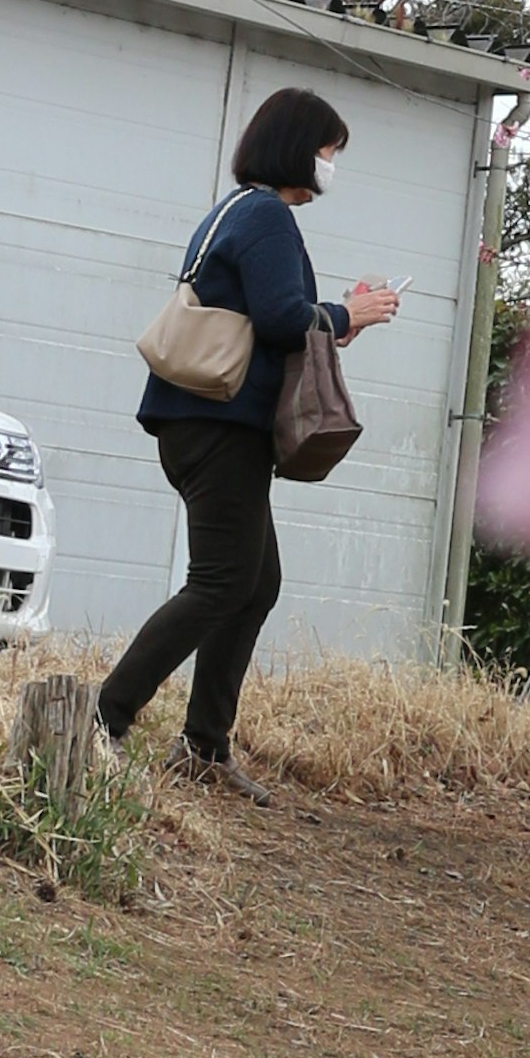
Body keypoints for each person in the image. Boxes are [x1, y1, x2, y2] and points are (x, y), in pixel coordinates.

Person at [96, 87, 399, 789]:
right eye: (329, 153)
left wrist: (338, 316)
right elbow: (281, 318)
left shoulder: (239, 210)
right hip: (218, 427)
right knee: (222, 580)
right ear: (300, 149)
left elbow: (276, 316)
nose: (331, 167)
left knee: (255, 582)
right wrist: (347, 311)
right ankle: (102, 718)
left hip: (200, 421)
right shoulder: (265, 215)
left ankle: (204, 747)